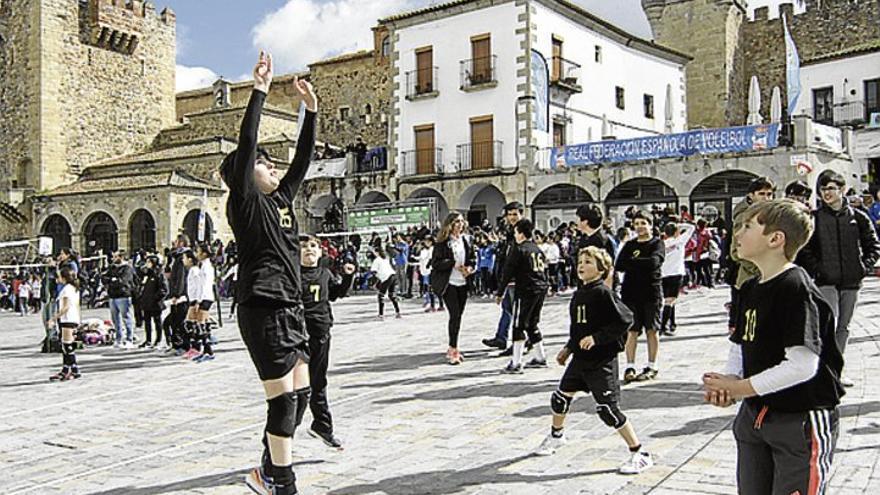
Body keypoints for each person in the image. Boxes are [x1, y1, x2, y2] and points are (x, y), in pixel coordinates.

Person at [219, 51, 318, 495]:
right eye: (264, 163)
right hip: (262, 307)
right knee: (281, 404)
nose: (273, 166)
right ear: (244, 174)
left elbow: (301, 160)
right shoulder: (245, 202)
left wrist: (310, 111)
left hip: (290, 308)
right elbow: (246, 144)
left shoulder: (280, 200)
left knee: (299, 402)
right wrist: (259, 89)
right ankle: (284, 484)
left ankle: (266, 469)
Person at [703, 199, 844, 495]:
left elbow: (803, 365)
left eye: (747, 226)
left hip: (799, 418)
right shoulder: (751, 287)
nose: (737, 234)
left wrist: (741, 388)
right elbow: (740, 344)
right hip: (756, 417)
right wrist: (729, 381)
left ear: (775, 239)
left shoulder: (795, 287)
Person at [534, 247, 653, 474]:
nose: (582, 265)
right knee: (560, 398)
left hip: (601, 362)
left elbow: (626, 319)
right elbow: (578, 328)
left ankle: (639, 452)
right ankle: (556, 435)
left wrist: (597, 338)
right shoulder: (579, 294)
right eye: (580, 261)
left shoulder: (603, 293)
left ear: (601, 270)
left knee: (608, 410)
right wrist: (568, 348)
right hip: (580, 360)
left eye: (588, 262)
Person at [800, 170, 880, 387]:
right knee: (828, 324)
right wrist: (818, 270)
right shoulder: (815, 218)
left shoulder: (859, 217)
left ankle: (837, 370)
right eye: (823, 189)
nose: (827, 193)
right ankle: (821, 370)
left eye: (831, 188)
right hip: (826, 281)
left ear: (842, 190)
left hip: (851, 281)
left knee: (843, 327)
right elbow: (806, 250)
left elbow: (873, 244)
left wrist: (864, 267)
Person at [299, 235, 355, 449]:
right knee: (297, 388)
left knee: (318, 381)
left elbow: (336, 294)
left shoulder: (325, 273)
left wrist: (348, 277)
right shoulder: (293, 274)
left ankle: (322, 426)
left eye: (313, 246)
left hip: (320, 332)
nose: (309, 250)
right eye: (304, 247)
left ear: (321, 252)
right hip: (297, 336)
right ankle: (281, 438)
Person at [616, 211, 665, 383]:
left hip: (651, 292)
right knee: (632, 330)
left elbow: (654, 262)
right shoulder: (629, 245)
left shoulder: (657, 243)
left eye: (643, 223)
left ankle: (652, 365)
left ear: (651, 224)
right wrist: (640, 264)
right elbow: (620, 265)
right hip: (630, 293)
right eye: (636, 224)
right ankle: (630, 365)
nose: (639, 227)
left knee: (652, 329)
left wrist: (634, 263)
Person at [496, 219, 549, 373]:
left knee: (518, 325)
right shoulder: (536, 249)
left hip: (526, 289)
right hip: (540, 288)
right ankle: (540, 357)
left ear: (520, 233)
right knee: (532, 324)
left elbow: (508, 271)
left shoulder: (519, 249)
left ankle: (516, 363)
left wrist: (500, 292)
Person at [728, 177, 775, 332]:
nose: (766, 198)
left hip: (771, 276)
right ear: (751, 195)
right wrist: (759, 268)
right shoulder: (744, 217)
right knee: (750, 329)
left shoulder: (770, 214)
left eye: (769, 194)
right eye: (762, 194)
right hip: (750, 277)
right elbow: (736, 252)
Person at [431, 213, 476, 365]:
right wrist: (451, 263)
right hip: (449, 282)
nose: (460, 225)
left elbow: (472, 258)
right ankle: (453, 348)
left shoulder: (466, 240)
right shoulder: (443, 242)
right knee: (454, 314)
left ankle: (453, 345)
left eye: (462, 222)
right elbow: (436, 263)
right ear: (450, 224)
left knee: (459, 316)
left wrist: (469, 268)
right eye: (456, 222)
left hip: (463, 281)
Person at [482, 202, 523, 352]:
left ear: (521, 214)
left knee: (519, 312)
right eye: (509, 214)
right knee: (507, 308)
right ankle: (501, 338)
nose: (512, 217)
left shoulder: (523, 231)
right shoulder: (508, 231)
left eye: (515, 214)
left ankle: (521, 342)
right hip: (507, 276)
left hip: (518, 278)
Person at [660, 221, 695, 335]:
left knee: (669, 299)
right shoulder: (680, 241)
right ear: (676, 232)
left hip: (664, 274)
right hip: (676, 273)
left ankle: (672, 323)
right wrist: (680, 225)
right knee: (670, 300)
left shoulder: (662, 244)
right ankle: (663, 326)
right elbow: (691, 228)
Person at [49, 267, 82, 381]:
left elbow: (66, 307)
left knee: (67, 345)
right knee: (65, 345)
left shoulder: (67, 289)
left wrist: (53, 318)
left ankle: (74, 369)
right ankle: (65, 369)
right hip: (71, 318)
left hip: (68, 319)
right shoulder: (73, 288)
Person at [104, 250, 137, 349]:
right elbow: (104, 278)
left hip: (123, 295)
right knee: (115, 319)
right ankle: (118, 339)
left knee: (127, 318)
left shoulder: (127, 268)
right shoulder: (112, 267)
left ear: (121, 257)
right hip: (113, 296)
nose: (113, 258)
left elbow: (123, 281)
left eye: (116, 256)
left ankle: (129, 339)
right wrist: (111, 280)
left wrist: (113, 281)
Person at [193, 243, 218, 362]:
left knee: (201, 325)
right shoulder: (203, 266)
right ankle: (205, 350)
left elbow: (205, 286)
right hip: (204, 297)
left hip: (205, 297)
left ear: (204, 253)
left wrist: (199, 300)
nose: (196, 254)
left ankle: (209, 351)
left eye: (198, 251)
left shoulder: (207, 267)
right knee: (201, 324)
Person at [138, 256, 168, 349]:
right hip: (146, 302)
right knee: (147, 322)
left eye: (148, 262)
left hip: (155, 303)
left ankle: (158, 340)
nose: (147, 264)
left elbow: (164, 289)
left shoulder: (159, 274)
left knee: (157, 321)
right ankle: (148, 339)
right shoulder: (147, 274)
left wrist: (156, 298)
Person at [370, 247, 401, 320]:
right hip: (393, 276)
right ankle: (398, 312)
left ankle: (381, 315)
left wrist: (374, 283)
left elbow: (374, 272)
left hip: (386, 278)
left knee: (381, 296)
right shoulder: (385, 259)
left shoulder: (377, 260)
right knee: (392, 295)